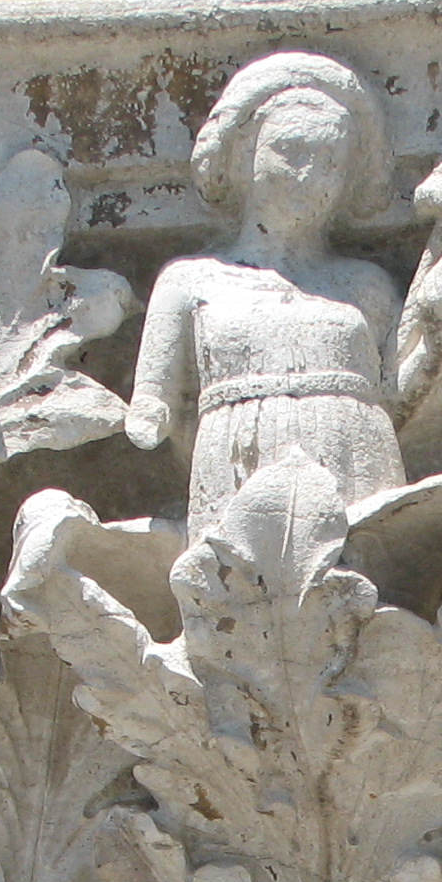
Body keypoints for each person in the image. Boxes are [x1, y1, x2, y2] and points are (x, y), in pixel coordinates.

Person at [125, 54, 413, 534]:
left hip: (358, 457)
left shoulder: (366, 285)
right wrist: (150, 416)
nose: (307, 175)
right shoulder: (189, 281)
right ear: (241, 156)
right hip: (237, 460)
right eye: (289, 150)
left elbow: (401, 395)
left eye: (330, 162)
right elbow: (154, 401)